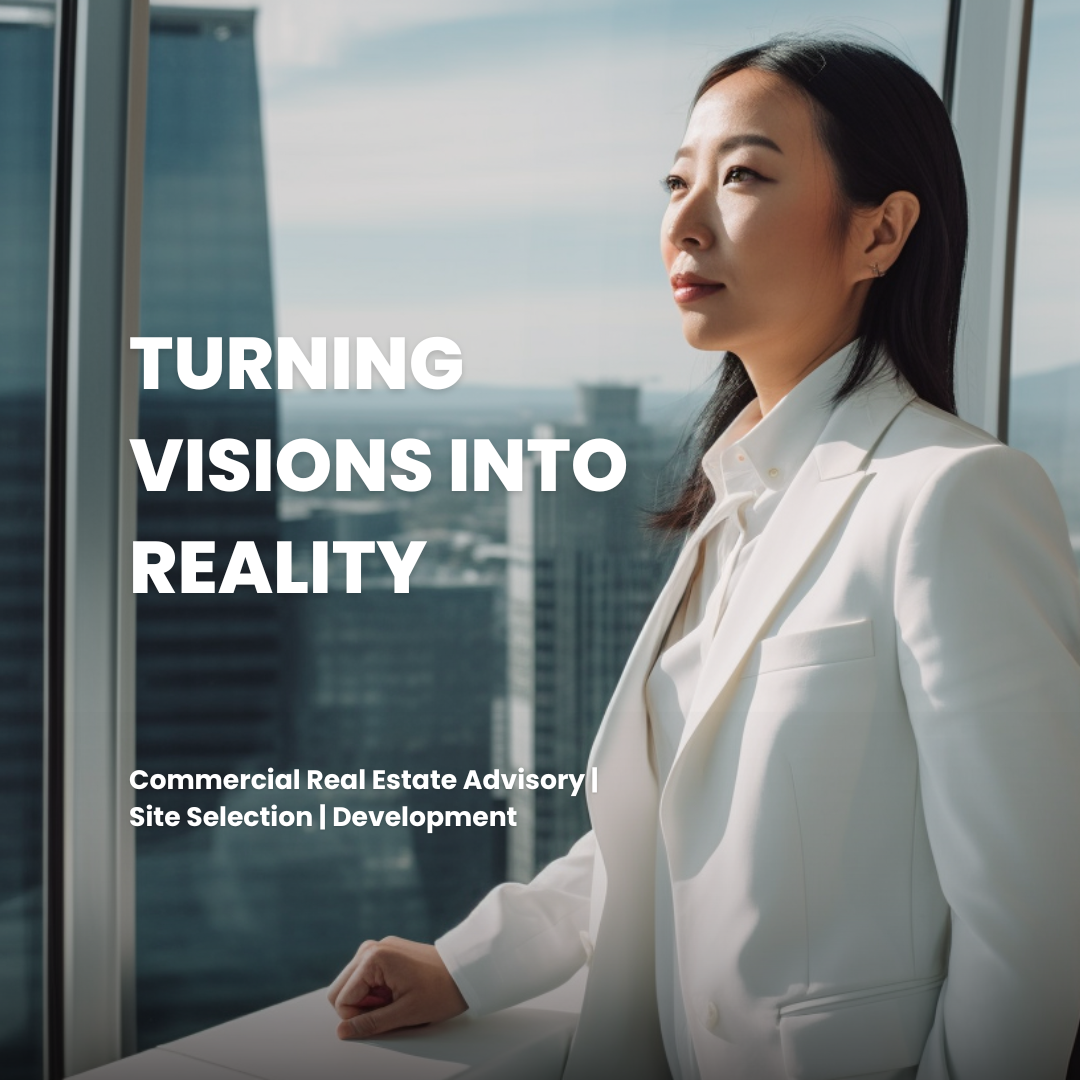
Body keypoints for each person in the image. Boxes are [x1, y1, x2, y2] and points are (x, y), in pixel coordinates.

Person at [327, 36, 1080, 1080]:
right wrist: (468, 964)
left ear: (881, 232)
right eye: (677, 181)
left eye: (743, 177)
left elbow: (1032, 929)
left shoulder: (952, 497)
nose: (683, 222)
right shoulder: (736, 503)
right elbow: (666, 826)